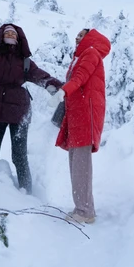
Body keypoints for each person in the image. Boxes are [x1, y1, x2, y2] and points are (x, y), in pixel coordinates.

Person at [0, 20, 62, 193]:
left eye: (13, 34)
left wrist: (61, 89)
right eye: (7, 33)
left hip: (19, 112)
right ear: (1, 37)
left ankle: (27, 193)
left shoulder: (25, 63)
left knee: (19, 156)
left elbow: (43, 77)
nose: (10, 35)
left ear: (18, 39)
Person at [52, 26, 111, 224]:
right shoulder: (81, 56)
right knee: (77, 163)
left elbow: (80, 77)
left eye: (81, 35)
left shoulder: (91, 53)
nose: (77, 38)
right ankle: (84, 208)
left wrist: (64, 91)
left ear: (90, 37)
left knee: (80, 165)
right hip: (78, 116)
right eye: (76, 35)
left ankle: (85, 212)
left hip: (85, 116)